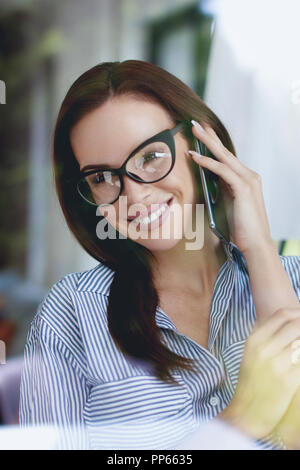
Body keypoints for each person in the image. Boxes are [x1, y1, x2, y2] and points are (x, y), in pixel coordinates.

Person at [19, 60, 300, 450]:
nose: (133, 196)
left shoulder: (294, 281)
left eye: (150, 157)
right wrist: (239, 421)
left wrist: (260, 250)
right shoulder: (71, 315)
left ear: (200, 146)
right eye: (101, 178)